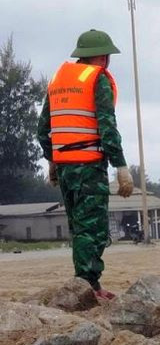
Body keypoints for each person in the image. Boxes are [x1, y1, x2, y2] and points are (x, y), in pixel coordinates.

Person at [36, 29, 133, 301]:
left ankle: (87, 284)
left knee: (79, 228)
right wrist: (121, 167)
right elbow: (107, 127)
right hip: (89, 166)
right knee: (93, 230)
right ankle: (88, 287)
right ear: (103, 57)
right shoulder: (97, 79)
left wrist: (53, 160)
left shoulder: (58, 80)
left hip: (66, 166)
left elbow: (42, 130)